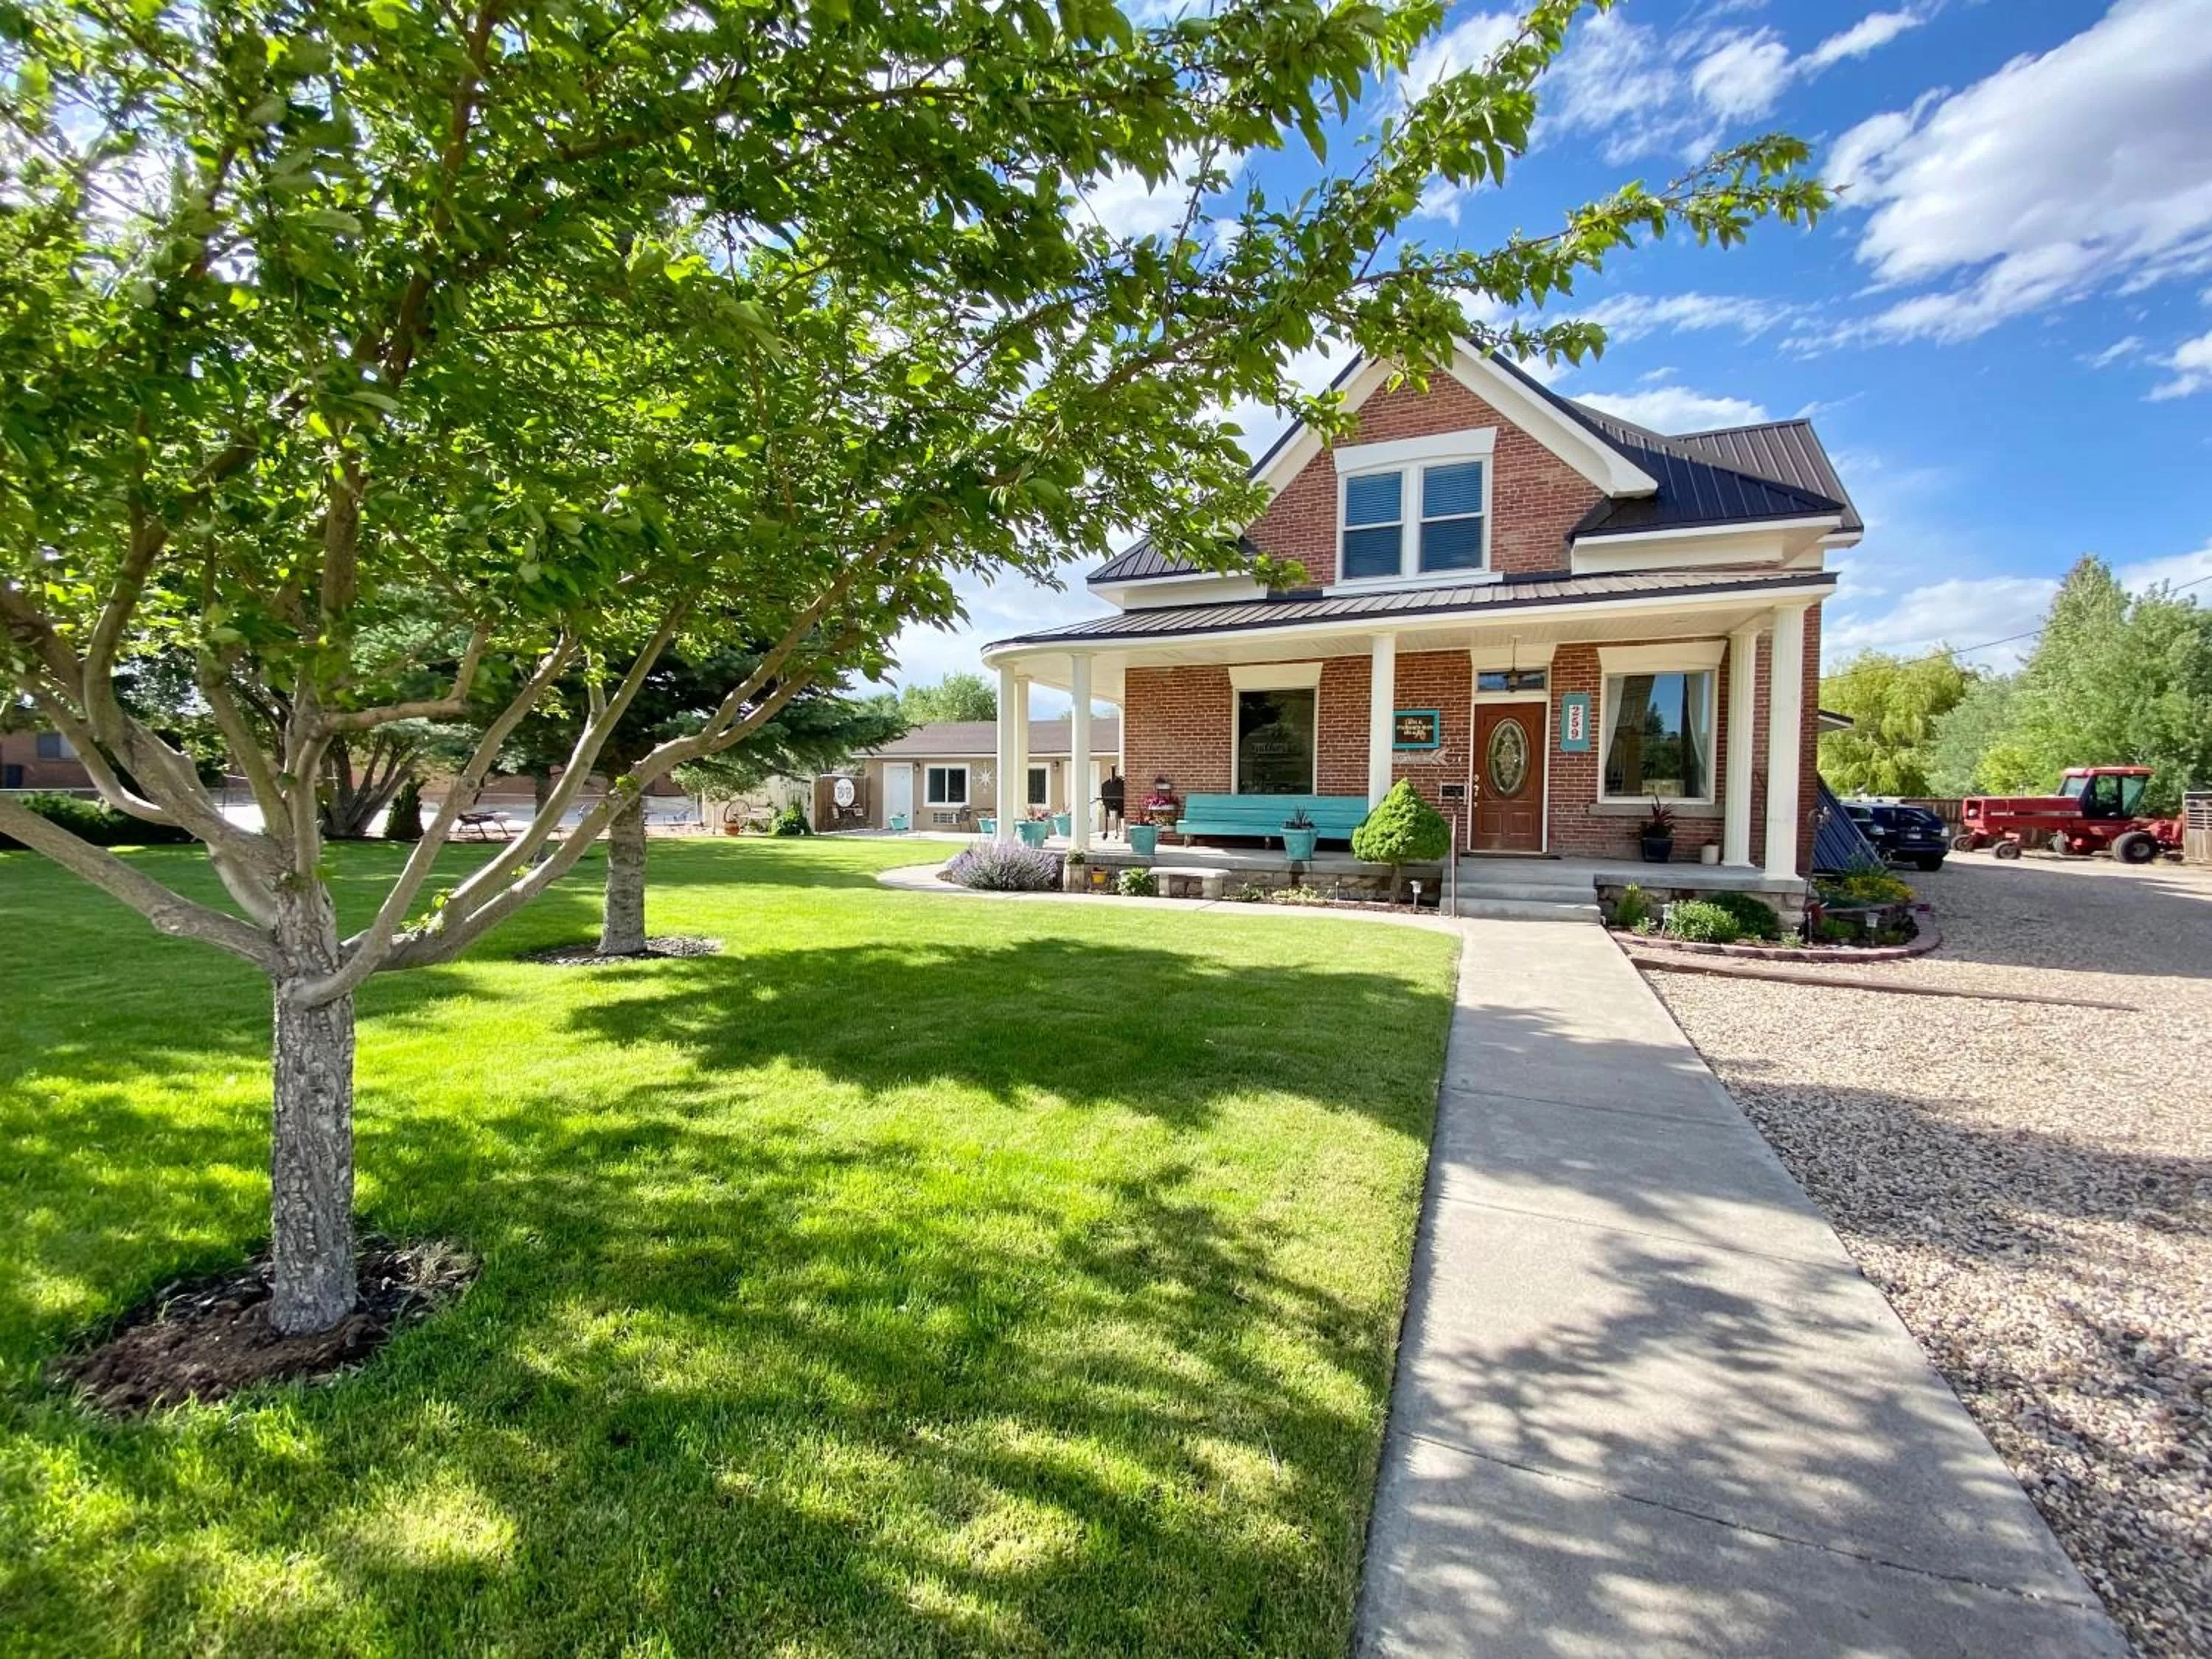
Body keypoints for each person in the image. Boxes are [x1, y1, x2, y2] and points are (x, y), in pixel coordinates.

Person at [1099, 768, 1125, 835]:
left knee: (1117, 813)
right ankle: (1113, 830)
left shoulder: (1122, 784)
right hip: (1110, 803)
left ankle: (1117, 829)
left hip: (1119, 803)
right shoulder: (1105, 785)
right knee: (1112, 814)